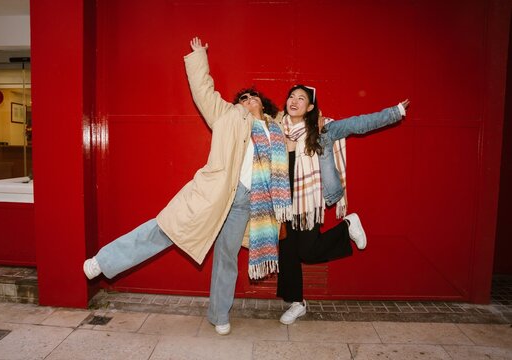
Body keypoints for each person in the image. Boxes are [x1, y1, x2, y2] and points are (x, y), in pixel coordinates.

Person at [83, 37, 291, 335]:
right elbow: (203, 90)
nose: (248, 100)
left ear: (263, 102)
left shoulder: (278, 128)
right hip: (213, 194)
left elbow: (306, 128)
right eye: (243, 97)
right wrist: (198, 57)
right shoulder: (227, 115)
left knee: (226, 259)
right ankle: (103, 261)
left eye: (253, 96)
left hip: (248, 203)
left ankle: (219, 315)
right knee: (164, 228)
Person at [276, 84, 409, 324]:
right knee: (288, 255)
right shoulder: (276, 129)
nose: (294, 101)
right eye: (291, 97)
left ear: (310, 107)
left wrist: (394, 112)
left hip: (307, 204)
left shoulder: (323, 130)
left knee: (307, 251)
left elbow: (358, 124)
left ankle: (348, 226)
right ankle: (297, 303)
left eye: (301, 98)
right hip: (283, 203)